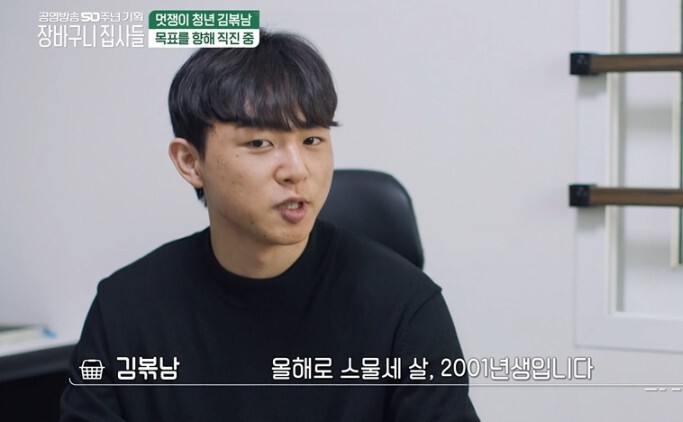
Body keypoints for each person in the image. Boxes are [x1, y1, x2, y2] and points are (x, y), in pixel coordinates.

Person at [60, 30, 479, 421]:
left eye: (312, 140)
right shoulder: (125, 311)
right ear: (190, 162)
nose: (297, 170)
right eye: (260, 142)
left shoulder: (405, 308)